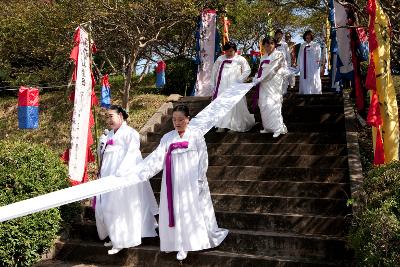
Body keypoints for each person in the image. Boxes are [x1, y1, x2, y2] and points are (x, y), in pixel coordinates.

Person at [136, 105, 228, 261]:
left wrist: (200, 179)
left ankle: (189, 243)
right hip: (172, 181)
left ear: (188, 119)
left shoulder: (196, 135)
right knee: (175, 210)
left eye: (180, 119)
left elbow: (203, 158)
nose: (177, 123)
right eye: (174, 120)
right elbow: (157, 159)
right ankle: (175, 243)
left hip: (192, 180)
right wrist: (140, 172)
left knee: (190, 209)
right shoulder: (167, 138)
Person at [95, 105, 158, 255]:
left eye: (111, 116)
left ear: (121, 116)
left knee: (119, 206)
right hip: (107, 175)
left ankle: (122, 239)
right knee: (106, 205)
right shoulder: (109, 134)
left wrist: (121, 173)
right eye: (107, 117)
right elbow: (102, 156)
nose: (109, 119)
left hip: (123, 176)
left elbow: (132, 154)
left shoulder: (131, 133)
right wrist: (101, 144)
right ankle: (114, 234)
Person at [211, 41, 255, 132]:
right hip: (222, 85)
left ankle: (235, 125)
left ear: (235, 50)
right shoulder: (220, 59)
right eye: (227, 51)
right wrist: (213, 84)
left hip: (235, 85)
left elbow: (247, 70)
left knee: (235, 104)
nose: (229, 53)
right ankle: (221, 124)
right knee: (222, 103)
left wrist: (240, 80)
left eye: (231, 51)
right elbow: (214, 72)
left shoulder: (240, 59)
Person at [253, 37, 288, 138]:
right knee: (264, 103)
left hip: (274, 81)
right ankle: (268, 127)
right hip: (264, 83)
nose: (269, 46)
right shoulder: (263, 57)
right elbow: (260, 70)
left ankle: (278, 128)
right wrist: (256, 78)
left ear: (274, 45)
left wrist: (261, 78)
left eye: (271, 44)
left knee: (273, 103)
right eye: (267, 45)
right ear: (263, 46)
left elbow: (273, 70)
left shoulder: (279, 55)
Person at [297, 30, 322, 94]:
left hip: (312, 65)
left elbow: (318, 55)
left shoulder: (316, 45)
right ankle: (305, 91)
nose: (307, 36)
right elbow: (299, 56)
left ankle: (315, 91)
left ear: (311, 36)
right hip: (304, 65)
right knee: (305, 78)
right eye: (306, 35)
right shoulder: (302, 45)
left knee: (313, 77)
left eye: (309, 35)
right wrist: (298, 65)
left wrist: (318, 64)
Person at [275, 29, 291, 94]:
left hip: (284, 64)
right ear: (275, 35)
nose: (279, 36)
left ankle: (284, 93)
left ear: (282, 36)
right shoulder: (273, 43)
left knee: (284, 79)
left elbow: (288, 55)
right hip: (275, 65)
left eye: (280, 34)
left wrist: (289, 65)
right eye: (277, 34)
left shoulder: (285, 44)